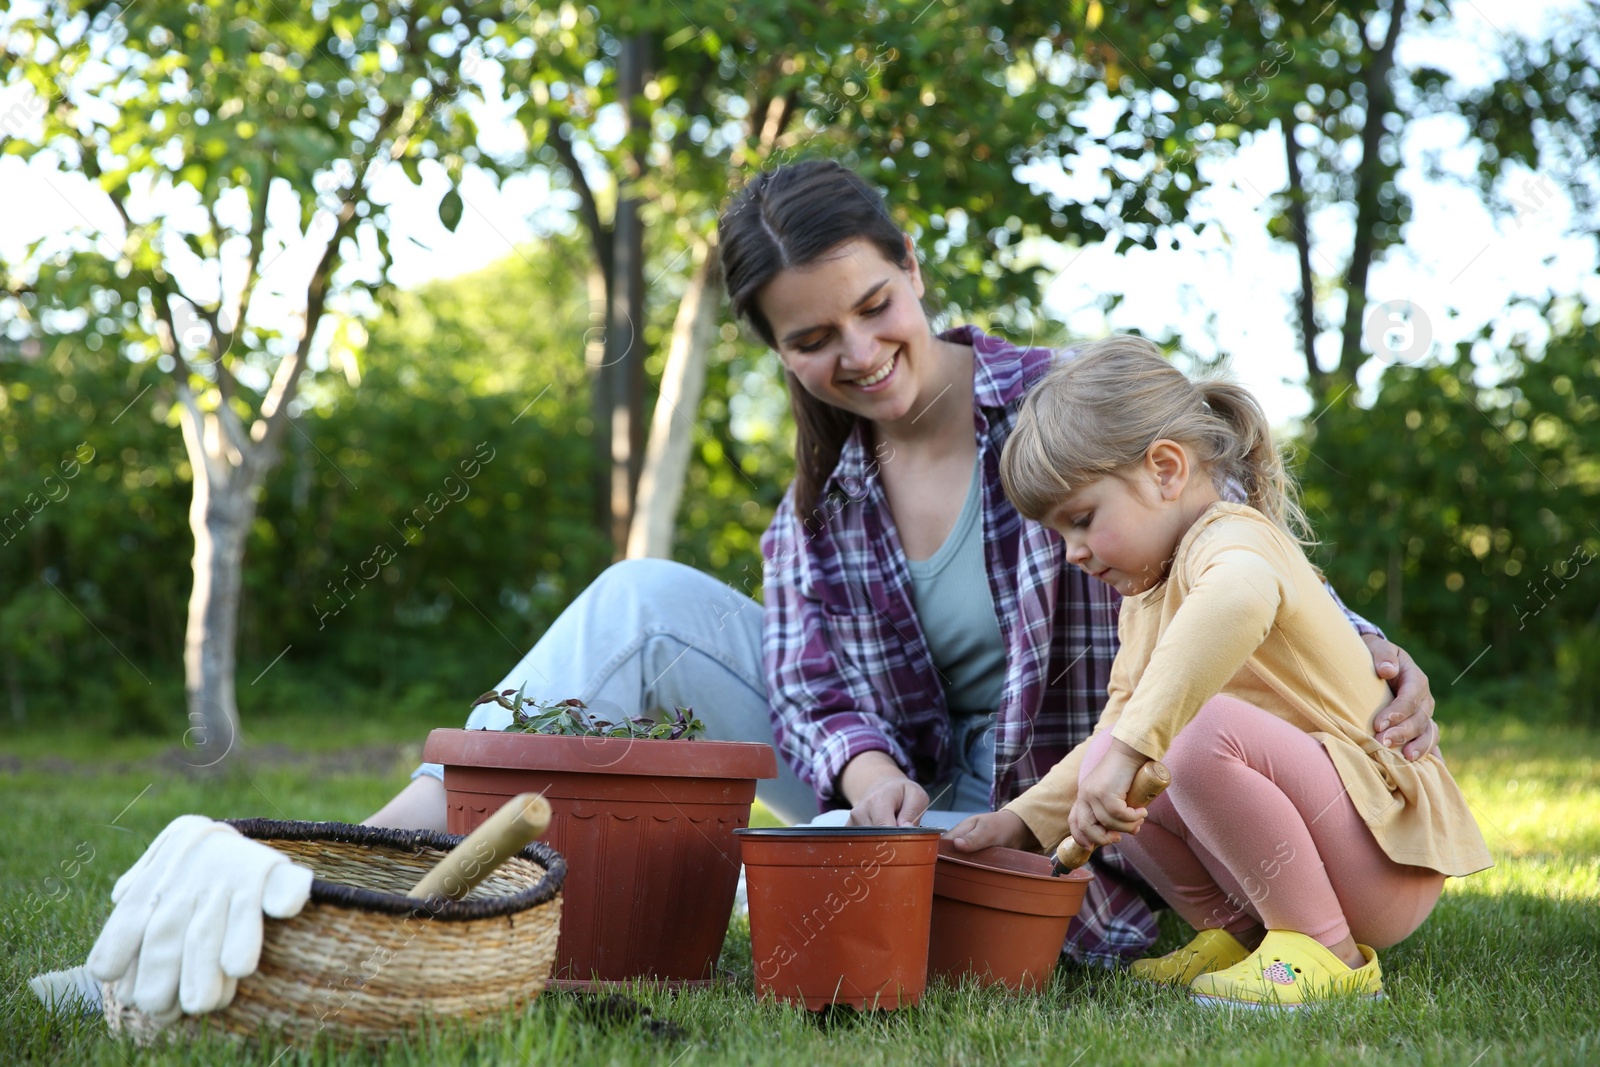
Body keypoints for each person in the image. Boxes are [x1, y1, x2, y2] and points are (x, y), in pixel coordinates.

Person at [366, 159, 1443, 965]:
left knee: (827, 874)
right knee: (639, 600)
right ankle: (384, 848)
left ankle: (699, 874)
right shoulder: (815, 502)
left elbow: (1229, 544)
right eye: (811, 338)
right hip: (908, 793)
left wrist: (1370, 655)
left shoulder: (1062, 413)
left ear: (914, 269)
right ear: (775, 348)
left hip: (1068, 801)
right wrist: (863, 766)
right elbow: (800, 681)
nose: (858, 352)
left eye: (875, 306)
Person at [946, 336, 1491, 1003]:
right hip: (1324, 855)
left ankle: (1327, 952)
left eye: (1082, 520)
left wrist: (1133, 745)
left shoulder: (1233, 537)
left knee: (1189, 732)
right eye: (1060, 534)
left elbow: (1237, 598)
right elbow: (1119, 726)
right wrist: (1024, 820)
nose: (1073, 552)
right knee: (1112, 766)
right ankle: (1241, 934)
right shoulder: (1146, 598)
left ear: (1166, 469)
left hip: (1383, 857)